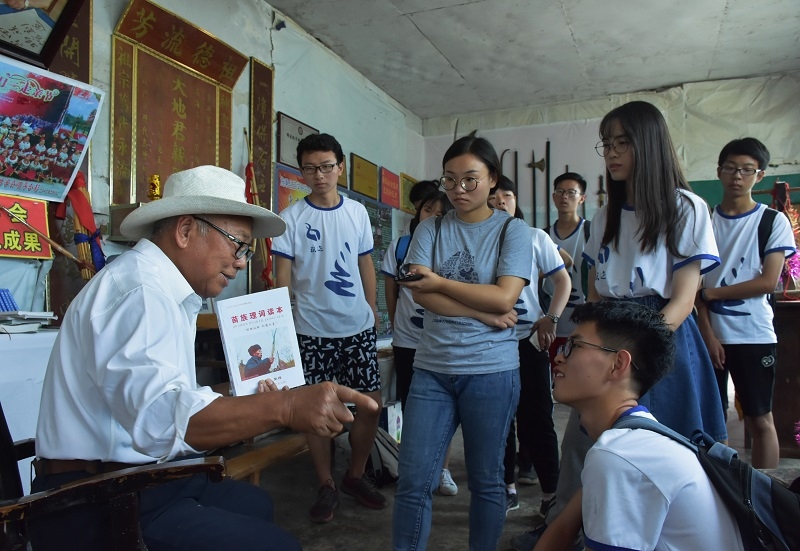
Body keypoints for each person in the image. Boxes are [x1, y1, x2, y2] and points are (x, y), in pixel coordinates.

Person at [33, 165, 379, 551]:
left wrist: (238, 392)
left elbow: (171, 398)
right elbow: (159, 421)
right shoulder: (141, 292)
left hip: (138, 477)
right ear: (184, 231)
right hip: (93, 497)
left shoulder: (161, 288)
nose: (242, 261)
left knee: (257, 503)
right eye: (238, 244)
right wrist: (285, 406)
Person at [513, 100, 727, 551]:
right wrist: (591, 344)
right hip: (607, 333)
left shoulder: (684, 206)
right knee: (585, 439)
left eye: (622, 143)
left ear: (648, 145)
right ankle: (567, 529)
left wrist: (634, 349)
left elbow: (685, 299)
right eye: (607, 144)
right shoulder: (606, 215)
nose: (611, 153)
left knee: (667, 444)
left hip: (660, 337)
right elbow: (594, 293)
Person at [392, 134, 533, 550]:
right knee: (414, 480)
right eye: (450, 181)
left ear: (492, 180)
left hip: (491, 371)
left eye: (470, 180)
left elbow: (504, 296)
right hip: (431, 370)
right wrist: (479, 312)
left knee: (487, 481)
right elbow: (420, 293)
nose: (459, 190)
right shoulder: (431, 227)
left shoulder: (512, 230)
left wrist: (440, 282)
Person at [550, 301, 744, 550]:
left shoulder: (619, 457)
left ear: (618, 364)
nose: (558, 356)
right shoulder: (641, 435)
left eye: (573, 346)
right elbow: (563, 529)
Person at [272, 133, 385, 524]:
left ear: (340, 167)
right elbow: (282, 279)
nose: (318, 175)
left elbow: (365, 264)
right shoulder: (290, 219)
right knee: (314, 413)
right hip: (310, 330)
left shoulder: (357, 213)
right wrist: (282, 326)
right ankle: (326, 483)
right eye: (309, 168)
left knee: (370, 406)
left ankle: (355, 475)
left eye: (326, 166)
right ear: (300, 171)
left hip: (356, 329)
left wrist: (371, 310)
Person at [696, 138, 796, 469]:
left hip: (754, 335)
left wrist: (714, 294)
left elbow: (768, 282)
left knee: (759, 420)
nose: (736, 176)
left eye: (746, 170)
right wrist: (708, 334)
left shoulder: (772, 221)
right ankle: (721, 494)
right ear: (719, 171)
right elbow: (695, 285)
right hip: (707, 336)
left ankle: (767, 497)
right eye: (729, 168)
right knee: (710, 424)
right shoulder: (704, 220)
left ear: (760, 175)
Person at [491, 176, 570, 517]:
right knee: (500, 419)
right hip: (491, 343)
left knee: (538, 419)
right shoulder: (478, 240)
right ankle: (507, 488)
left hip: (530, 341)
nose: (499, 202)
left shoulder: (535, 237)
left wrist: (551, 318)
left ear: (515, 200)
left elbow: (562, 280)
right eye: (493, 197)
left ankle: (551, 493)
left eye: (506, 195)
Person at [381, 190, 460, 496]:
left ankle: (442, 470)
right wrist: (394, 323)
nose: (434, 217)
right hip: (406, 338)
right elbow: (390, 289)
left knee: (446, 406)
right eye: (429, 210)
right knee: (409, 403)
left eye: (441, 213)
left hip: (441, 339)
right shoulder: (401, 245)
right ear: (418, 213)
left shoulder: (455, 247)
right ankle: (410, 467)